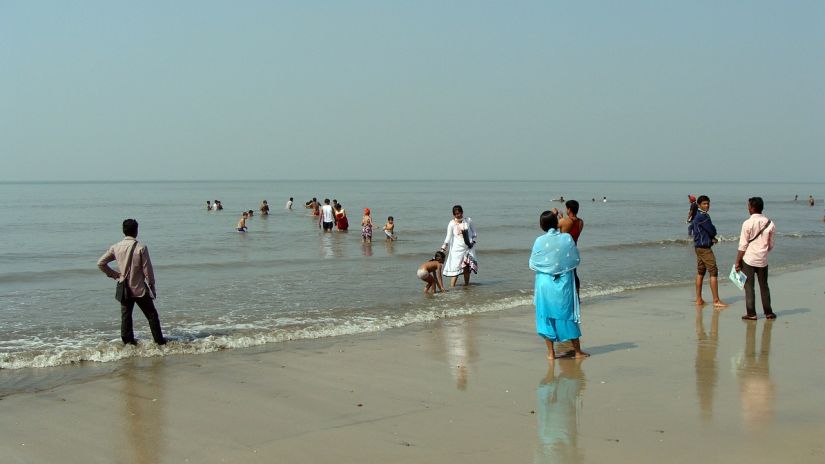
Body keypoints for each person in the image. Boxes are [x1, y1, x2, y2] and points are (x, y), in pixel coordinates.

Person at [529, 211, 588, 360]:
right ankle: (577, 352)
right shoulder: (567, 238)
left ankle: (551, 353)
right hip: (563, 282)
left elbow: (533, 263)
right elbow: (575, 259)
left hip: (544, 282)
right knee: (567, 315)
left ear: (541, 225)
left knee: (546, 316)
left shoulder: (539, 240)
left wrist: (549, 269)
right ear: (557, 223)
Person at [97, 219, 166, 346]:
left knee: (126, 316)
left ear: (123, 231)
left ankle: (128, 343)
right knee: (152, 315)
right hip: (139, 289)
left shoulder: (115, 247)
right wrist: (152, 286)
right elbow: (147, 270)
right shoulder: (141, 248)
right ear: (136, 231)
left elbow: (101, 263)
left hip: (125, 288)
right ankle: (159, 342)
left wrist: (115, 275)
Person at [734, 197, 776, 320]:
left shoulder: (747, 223)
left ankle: (751, 313)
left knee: (749, 287)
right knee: (764, 286)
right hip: (763, 259)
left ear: (752, 208)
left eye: (748, 206)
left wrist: (737, 261)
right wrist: (762, 251)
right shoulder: (770, 223)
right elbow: (771, 245)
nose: (748, 208)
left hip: (749, 259)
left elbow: (743, 245)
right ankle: (768, 312)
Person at [690, 195, 727, 307]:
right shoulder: (703, 216)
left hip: (698, 246)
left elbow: (702, 231)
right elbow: (712, 229)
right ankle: (716, 300)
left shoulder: (696, 215)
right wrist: (712, 236)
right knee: (713, 271)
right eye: (705, 203)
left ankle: (699, 299)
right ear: (699, 205)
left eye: (708, 203)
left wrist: (711, 237)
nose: (707, 205)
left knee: (701, 272)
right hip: (704, 248)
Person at [440, 205, 477, 287]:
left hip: (468, 248)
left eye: (459, 213)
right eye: (456, 214)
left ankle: (466, 287)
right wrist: (443, 248)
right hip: (456, 250)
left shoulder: (468, 221)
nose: (458, 215)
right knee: (455, 270)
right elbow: (448, 237)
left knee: (466, 268)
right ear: (454, 215)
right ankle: (452, 289)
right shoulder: (451, 223)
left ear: (462, 212)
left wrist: (473, 242)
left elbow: (474, 233)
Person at [558, 200, 584, 292]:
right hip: (574, 250)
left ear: (569, 209)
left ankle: (565, 294)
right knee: (574, 273)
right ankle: (577, 294)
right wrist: (562, 219)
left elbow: (557, 230)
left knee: (562, 274)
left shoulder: (565, 221)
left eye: (566, 208)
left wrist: (559, 218)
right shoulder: (581, 222)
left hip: (565, 251)